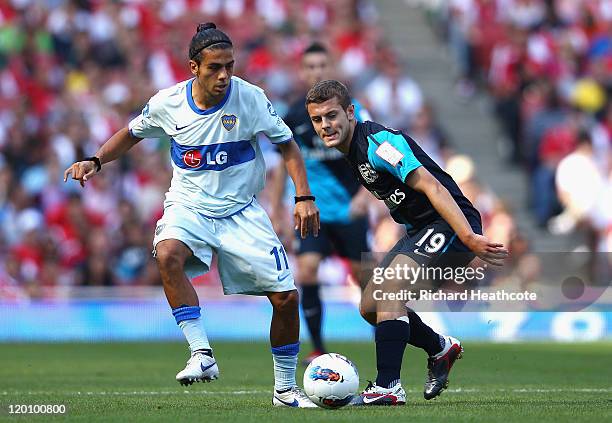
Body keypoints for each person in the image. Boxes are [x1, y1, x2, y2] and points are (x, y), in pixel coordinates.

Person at [64, 23, 320, 408]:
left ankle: (285, 390)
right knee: (167, 254)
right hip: (190, 205)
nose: (224, 76)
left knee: (285, 299)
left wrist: (302, 196)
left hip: (241, 210)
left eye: (230, 66)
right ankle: (202, 353)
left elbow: (288, 145)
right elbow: (132, 132)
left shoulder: (250, 98)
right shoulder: (168, 103)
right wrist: (96, 160)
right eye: (215, 67)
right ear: (192, 67)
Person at [305, 80, 508, 405]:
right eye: (318, 120)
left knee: (389, 294)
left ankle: (388, 386)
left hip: (451, 225)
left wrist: (470, 236)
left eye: (332, 116)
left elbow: (433, 187)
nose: (325, 125)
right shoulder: (349, 151)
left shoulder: (378, 143)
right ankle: (440, 348)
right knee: (370, 307)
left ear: (350, 112)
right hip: (420, 230)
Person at [271, 42, 372, 364]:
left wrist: (364, 196)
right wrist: (277, 212)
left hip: (349, 210)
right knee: (308, 270)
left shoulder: (353, 110)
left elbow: (373, 155)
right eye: (310, 66)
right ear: (302, 72)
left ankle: (383, 333)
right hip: (312, 212)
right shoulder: (292, 115)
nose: (316, 72)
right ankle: (316, 347)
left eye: (322, 65)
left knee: (364, 277)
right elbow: (281, 167)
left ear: (332, 68)